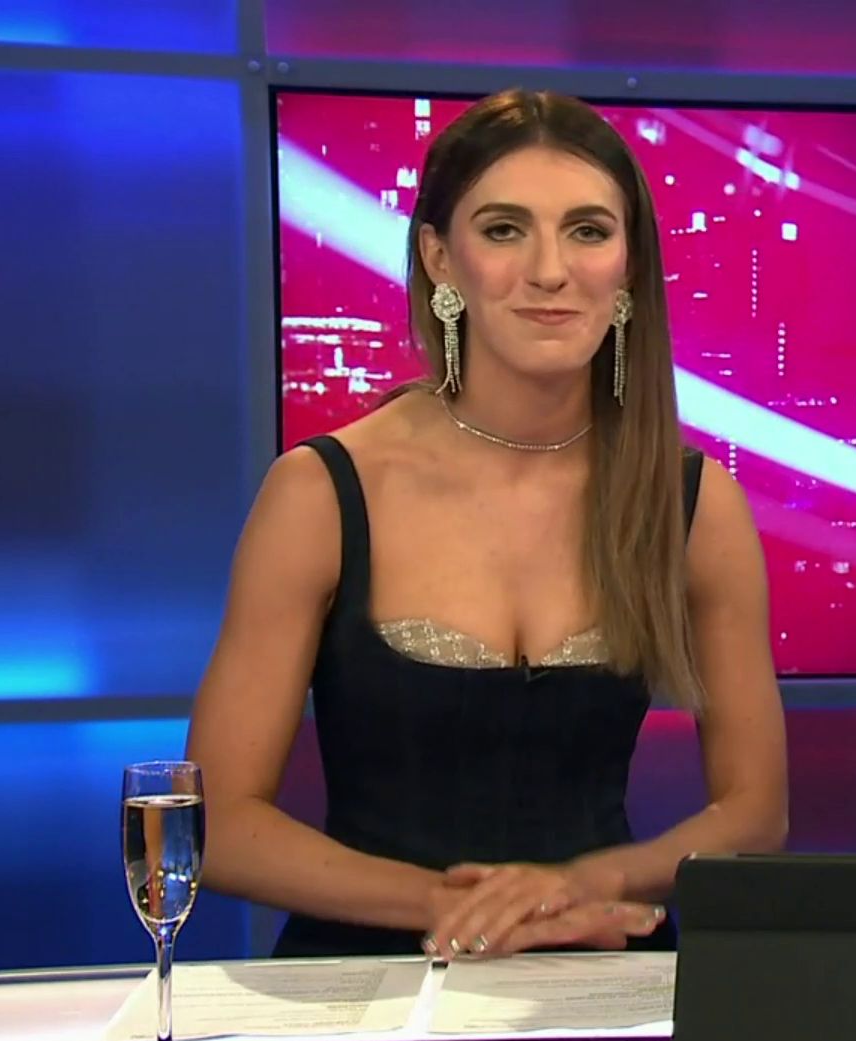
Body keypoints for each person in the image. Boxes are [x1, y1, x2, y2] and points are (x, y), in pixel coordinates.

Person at [186, 88, 788, 960]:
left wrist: (587, 885)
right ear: (440, 257)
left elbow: (755, 810)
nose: (550, 270)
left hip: (602, 971)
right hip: (369, 982)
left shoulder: (689, 501)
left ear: (627, 267)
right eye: (504, 230)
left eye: (587, 231)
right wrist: (472, 907)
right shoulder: (321, 492)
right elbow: (220, 823)